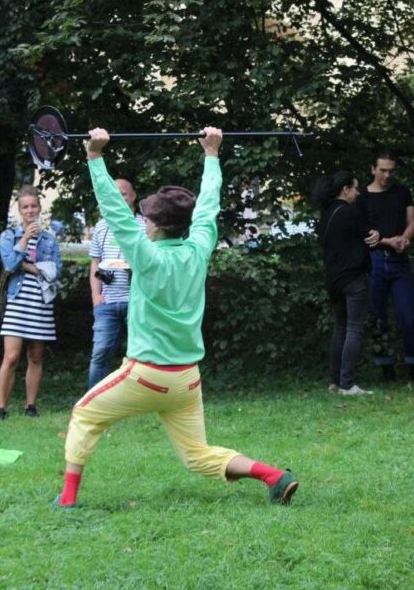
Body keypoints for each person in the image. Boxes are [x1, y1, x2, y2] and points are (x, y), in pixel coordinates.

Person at [55, 126, 298, 508]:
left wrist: (95, 157)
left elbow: (115, 211)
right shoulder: (198, 248)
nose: (142, 221)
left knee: (84, 413)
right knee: (196, 455)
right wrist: (212, 154)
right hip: (186, 379)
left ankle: (67, 500)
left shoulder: (146, 255)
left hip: (147, 374)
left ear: (156, 224)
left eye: (147, 217)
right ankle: (273, 476)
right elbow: (208, 205)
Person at [0, 185, 62, 419]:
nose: (30, 211)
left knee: (35, 356)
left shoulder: (49, 240)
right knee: (11, 357)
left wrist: (28, 266)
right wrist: (24, 241)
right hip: (17, 302)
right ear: (19, 210)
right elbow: (9, 265)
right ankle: (1, 407)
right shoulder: (9, 236)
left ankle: (30, 406)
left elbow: (56, 271)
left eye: (33, 206)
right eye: (25, 207)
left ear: (40, 208)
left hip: (41, 302)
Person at [357, 149, 414, 382]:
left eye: (391, 171)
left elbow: (412, 222)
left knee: (408, 315)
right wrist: (387, 241)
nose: (387, 175)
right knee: (377, 316)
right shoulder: (362, 196)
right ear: (373, 169)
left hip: (399, 261)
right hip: (374, 260)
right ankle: (385, 367)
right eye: (383, 170)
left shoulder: (402, 191)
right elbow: (360, 230)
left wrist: (404, 239)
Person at [313, 170, 380, 396]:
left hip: (333, 279)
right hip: (353, 278)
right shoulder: (350, 212)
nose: (358, 192)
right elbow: (370, 236)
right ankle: (347, 383)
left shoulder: (326, 213)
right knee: (354, 328)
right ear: (345, 190)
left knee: (339, 328)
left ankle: (335, 381)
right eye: (355, 188)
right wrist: (376, 234)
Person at [87, 178, 138, 390]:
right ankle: (93, 400)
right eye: (114, 194)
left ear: (133, 196)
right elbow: (95, 263)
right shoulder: (101, 226)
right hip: (106, 302)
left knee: (139, 355)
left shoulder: (144, 225)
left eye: (123, 194)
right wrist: (95, 296)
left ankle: (137, 397)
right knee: (100, 354)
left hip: (136, 301)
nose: (119, 198)